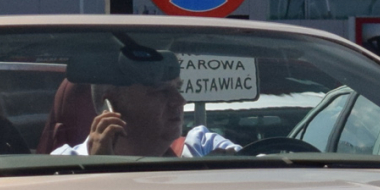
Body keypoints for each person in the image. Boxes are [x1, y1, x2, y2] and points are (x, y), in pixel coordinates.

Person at [50, 72, 242, 159]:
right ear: (110, 107)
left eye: (177, 88)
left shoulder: (201, 147)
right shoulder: (62, 165)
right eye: (160, 91)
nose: (180, 100)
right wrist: (99, 167)